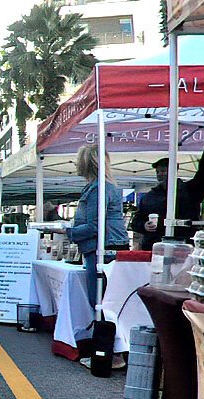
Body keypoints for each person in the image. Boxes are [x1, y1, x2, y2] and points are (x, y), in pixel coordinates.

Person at [59, 145, 130, 364]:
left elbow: (93, 226)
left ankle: (110, 353)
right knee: (106, 300)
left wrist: (68, 231)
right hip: (109, 246)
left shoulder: (98, 189)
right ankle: (111, 351)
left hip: (102, 249)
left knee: (100, 300)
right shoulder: (102, 187)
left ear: (86, 163)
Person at [133, 136, 204, 250]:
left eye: (164, 171)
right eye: (158, 171)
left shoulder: (190, 190)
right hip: (154, 247)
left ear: (175, 170)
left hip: (183, 246)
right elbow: (137, 221)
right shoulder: (149, 197)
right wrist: (144, 225)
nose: (160, 174)